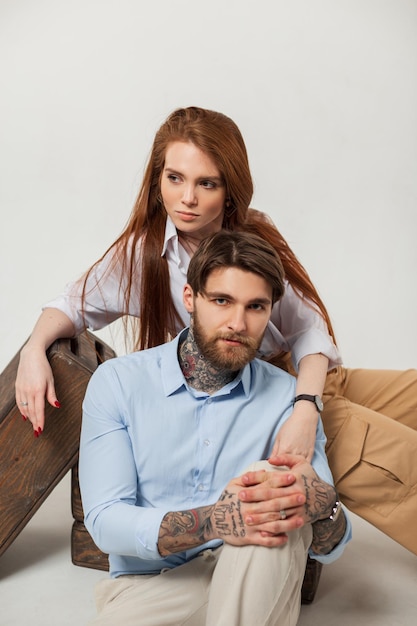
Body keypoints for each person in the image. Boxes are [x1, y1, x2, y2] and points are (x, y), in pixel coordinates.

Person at [15, 106, 416, 555]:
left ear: (229, 190)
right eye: (175, 178)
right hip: (259, 395)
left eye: (206, 183)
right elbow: (73, 302)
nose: (187, 197)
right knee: (398, 456)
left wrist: (307, 408)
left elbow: (308, 332)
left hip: (304, 378)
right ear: (157, 180)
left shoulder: (254, 234)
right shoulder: (144, 253)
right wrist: (35, 349)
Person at [79, 230, 351, 626]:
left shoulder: (287, 398)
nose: (238, 323)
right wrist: (217, 520)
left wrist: (321, 504)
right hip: (152, 589)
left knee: (270, 481)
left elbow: (330, 542)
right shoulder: (118, 383)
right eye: (222, 301)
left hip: (256, 569)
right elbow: (105, 521)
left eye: (255, 306)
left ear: (271, 311)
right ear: (191, 298)